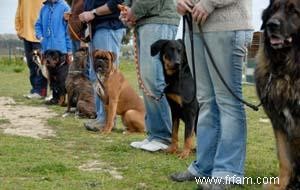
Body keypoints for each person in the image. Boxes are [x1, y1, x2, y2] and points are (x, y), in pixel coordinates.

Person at [170, 0, 253, 189]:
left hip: (227, 25)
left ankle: (228, 172)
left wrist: (208, 3)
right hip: (195, 27)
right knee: (205, 101)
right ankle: (204, 167)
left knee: (228, 101)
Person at [120, 1, 180, 151]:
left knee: (154, 79)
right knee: (147, 80)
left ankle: (164, 136)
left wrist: (134, 10)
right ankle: (155, 134)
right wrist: (126, 8)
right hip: (145, 19)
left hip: (158, 17)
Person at [79, 0, 125, 130]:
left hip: (108, 26)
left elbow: (116, 2)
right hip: (94, 27)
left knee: (108, 78)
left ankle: (107, 121)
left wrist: (93, 12)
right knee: (96, 76)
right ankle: (101, 117)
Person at [35, 0, 73, 104]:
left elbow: (68, 29)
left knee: (62, 77)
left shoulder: (65, 7)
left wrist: (69, 50)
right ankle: (55, 98)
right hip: (47, 49)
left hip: (61, 50)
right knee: (51, 77)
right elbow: (38, 24)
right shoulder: (44, 8)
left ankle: (64, 99)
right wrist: (40, 37)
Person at [15, 0, 48, 99]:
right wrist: (19, 29)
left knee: (39, 65)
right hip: (26, 34)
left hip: (39, 36)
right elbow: (19, 12)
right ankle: (35, 89)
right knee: (30, 64)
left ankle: (40, 91)